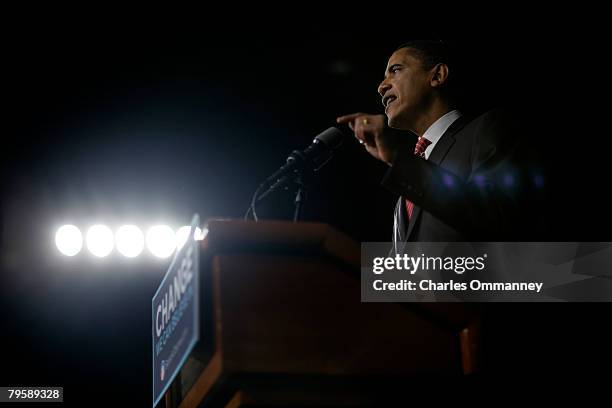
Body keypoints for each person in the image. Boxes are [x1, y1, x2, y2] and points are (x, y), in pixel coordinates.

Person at [337, 40, 536, 250]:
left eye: (395, 70)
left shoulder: (488, 129)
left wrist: (399, 159)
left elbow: (499, 219)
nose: (381, 86)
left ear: (437, 76)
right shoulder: (408, 180)